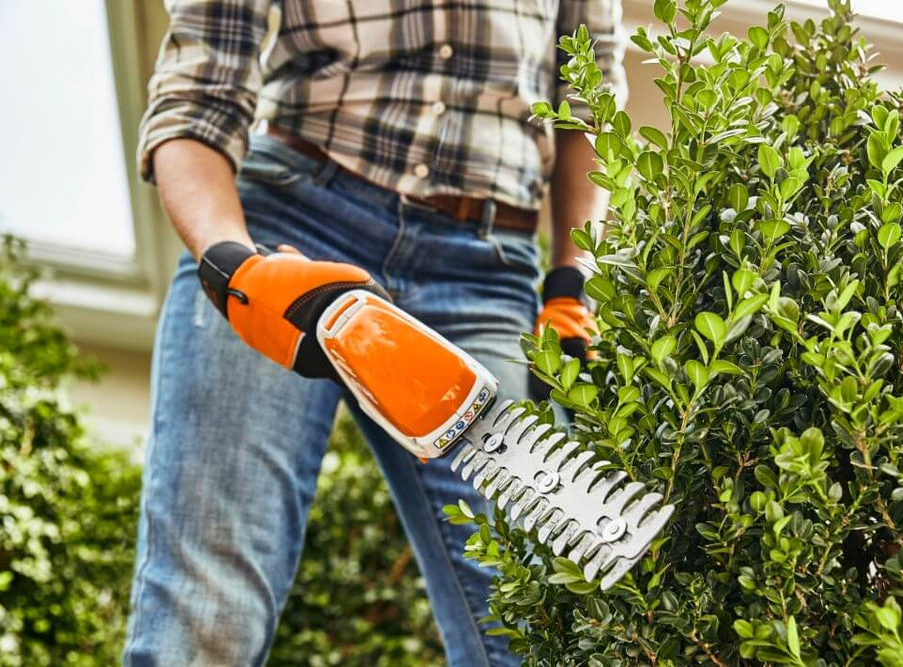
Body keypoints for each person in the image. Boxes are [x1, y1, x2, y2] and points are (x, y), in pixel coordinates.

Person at [122, 1, 625, 665]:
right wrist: (231, 264)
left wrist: (571, 284)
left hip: (486, 273)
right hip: (288, 230)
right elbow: (199, 91)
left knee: (535, 629)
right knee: (206, 614)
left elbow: (587, 104)